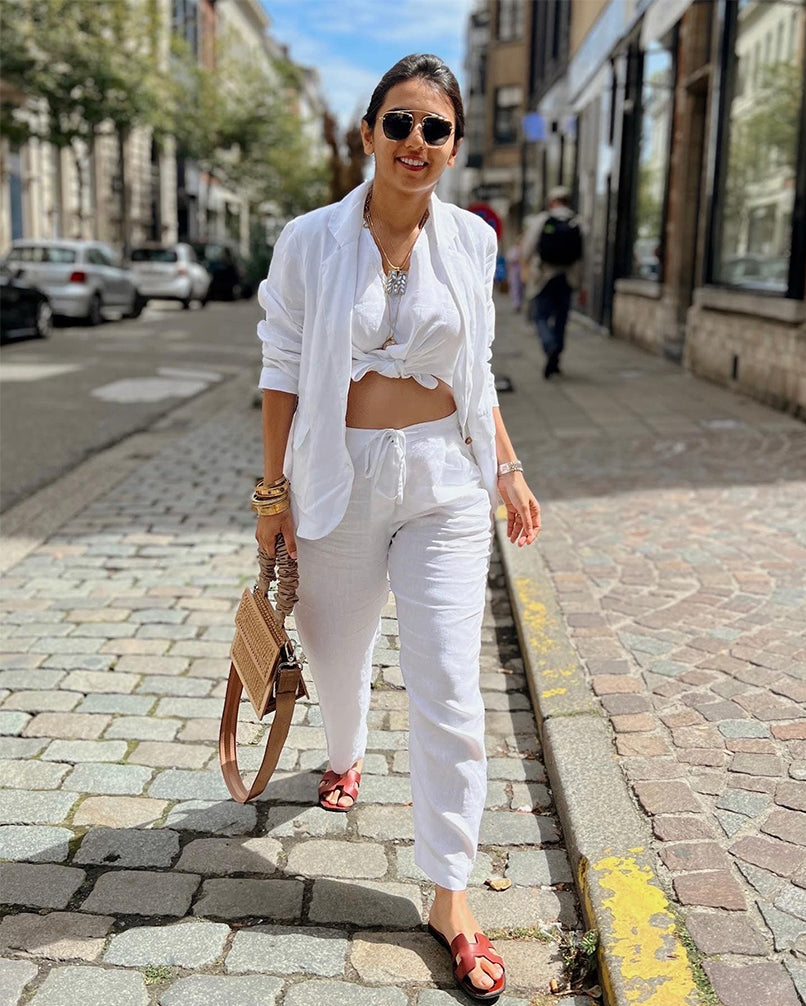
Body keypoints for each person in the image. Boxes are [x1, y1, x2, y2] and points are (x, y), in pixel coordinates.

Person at [254, 53, 541, 1002]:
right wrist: (272, 497)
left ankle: (449, 892)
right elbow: (284, 367)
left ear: (454, 145)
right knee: (337, 655)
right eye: (401, 123)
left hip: (442, 484)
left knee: (450, 680)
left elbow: (481, 369)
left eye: (436, 129)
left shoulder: (471, 242)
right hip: (335, 477)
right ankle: (343, 756)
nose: (417, 143)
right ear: (369, 131)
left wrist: (506, 468)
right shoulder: (309, 239)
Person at [521, 185, 583, 379]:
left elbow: (527, 249)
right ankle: (556, 357)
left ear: (552, 201)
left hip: (544, 277)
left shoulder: (542, 220)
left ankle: (549, 346)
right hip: (567, 278)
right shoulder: (578, 222)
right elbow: (583, 255)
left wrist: (526, 265)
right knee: (562, 318)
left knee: (540, 316)